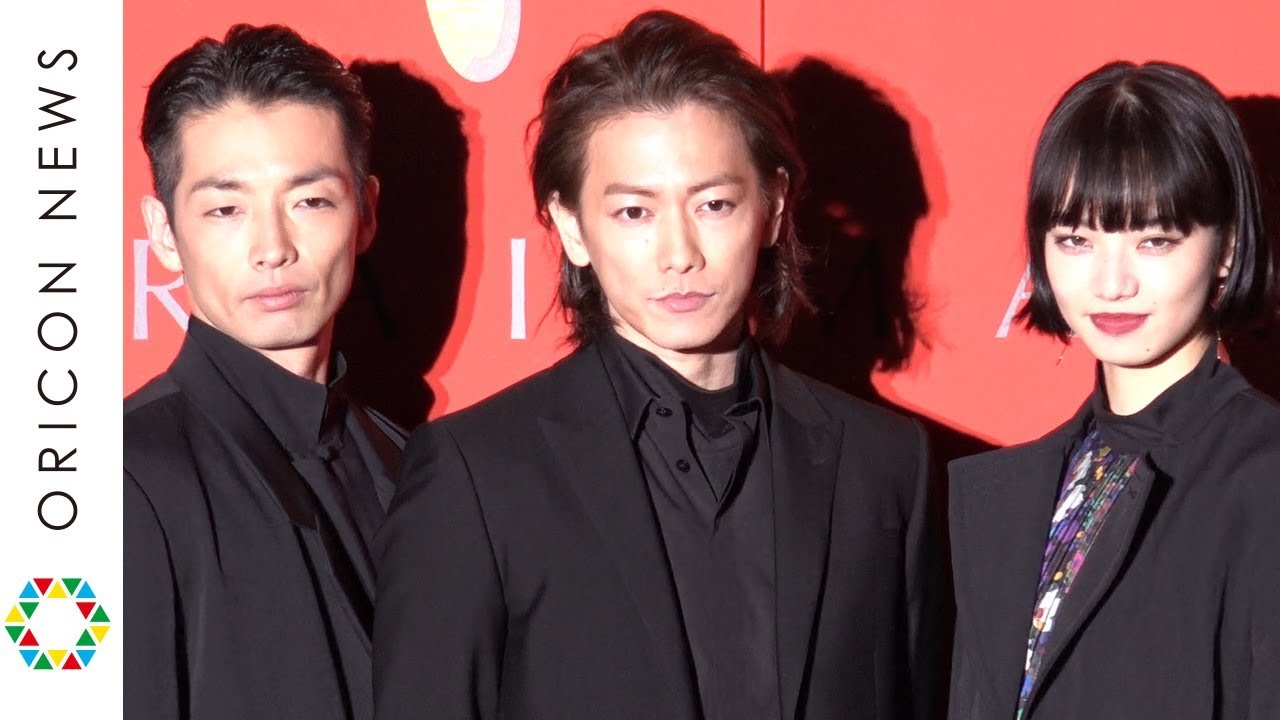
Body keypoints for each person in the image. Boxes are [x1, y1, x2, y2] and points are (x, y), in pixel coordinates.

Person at [374, 10, 944, 720]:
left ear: (772, 207)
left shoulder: (884, 467)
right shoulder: (477, 475)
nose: (680, 254)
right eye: (634, 213)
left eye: (714, 204)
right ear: (572, 227)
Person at [948, 61, 1280, 719]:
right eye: (1076, 239)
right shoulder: (1007, 496)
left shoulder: (1264, 481)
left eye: (1154, 240)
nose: (1110, 283)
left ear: (1226, 249)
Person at [124, 24, 404, 720]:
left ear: (366, 212)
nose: (272, 248)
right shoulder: (105, 486)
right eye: (226, 209)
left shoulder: (412, 466)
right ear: (163, 233)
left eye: (310, 201)